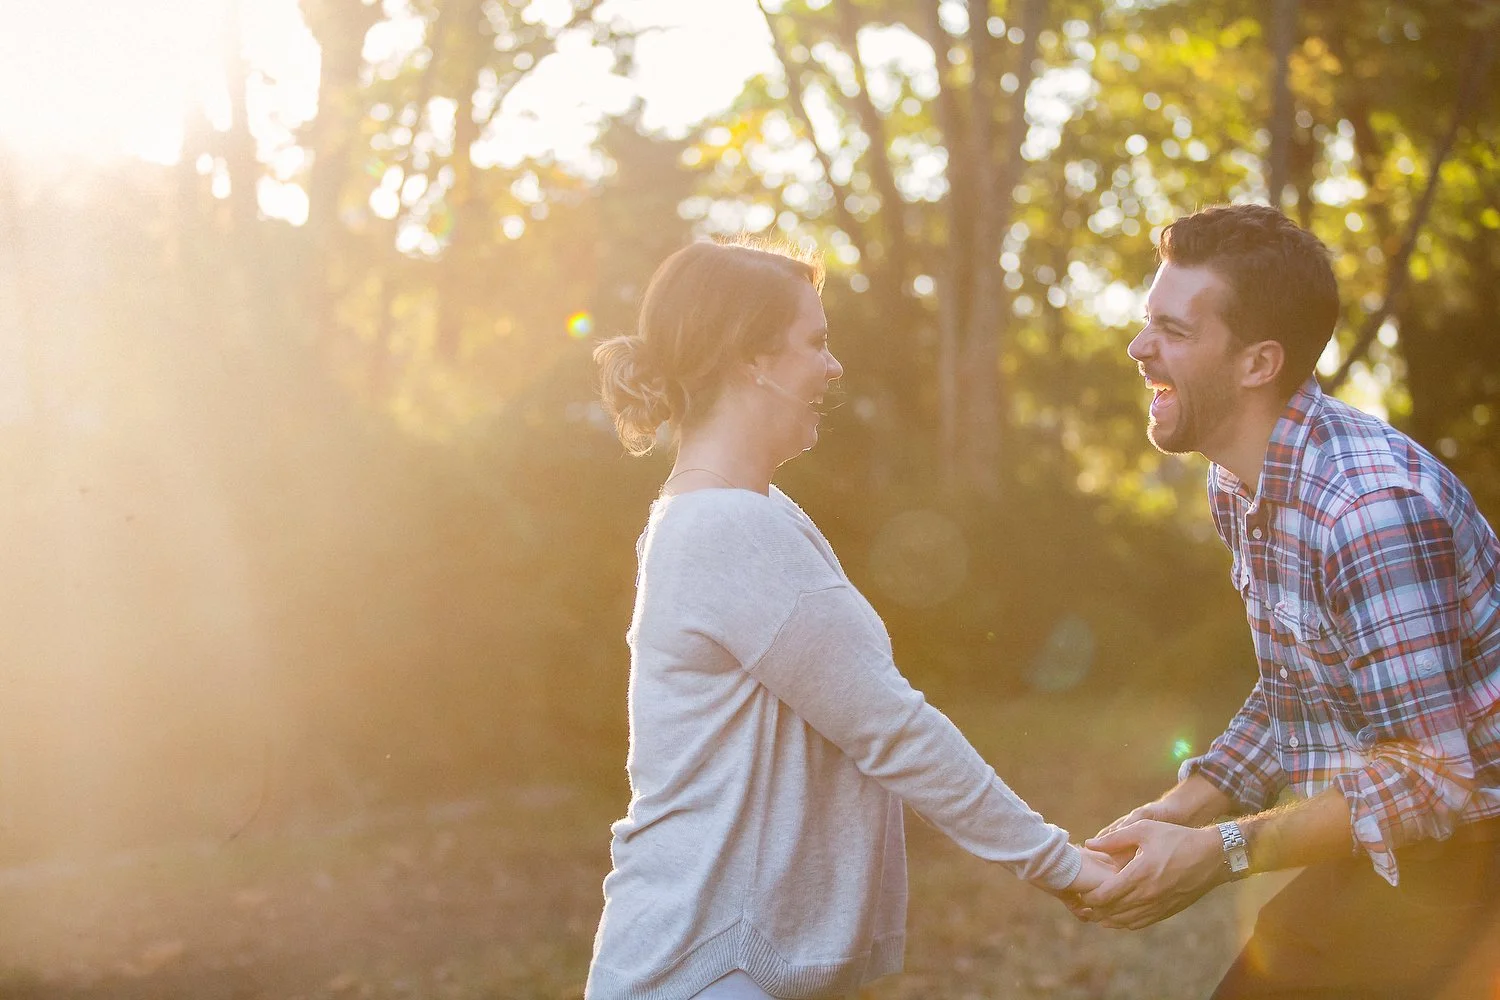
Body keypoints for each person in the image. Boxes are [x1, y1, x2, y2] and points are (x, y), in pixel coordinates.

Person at [584, 238, 1114, 1000]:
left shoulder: (745, 513)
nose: (833, 368)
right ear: (750, 360)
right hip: (703, 968)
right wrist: (1062, 864)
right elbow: (890, 728)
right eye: (816, 342)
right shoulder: (727, 528)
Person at [1078, 203, 1500, 997]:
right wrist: (1179, 810)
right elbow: (1297, 689)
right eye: (1146, 323)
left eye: (1172, 329)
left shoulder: (1368, 512)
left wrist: (1222, 852)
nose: (1139, 348)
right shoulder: (1240, 483)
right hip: (1398, 851)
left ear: (1257, 362)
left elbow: (1438, 778)